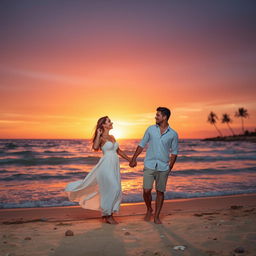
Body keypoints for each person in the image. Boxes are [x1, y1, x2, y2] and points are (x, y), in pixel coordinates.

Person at [65, 116, 131, 224]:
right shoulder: (101, 138)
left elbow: (119, 151)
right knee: (114, 188)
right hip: (105, 166)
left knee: (114, 189)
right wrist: (98, 134)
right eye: (109, 121)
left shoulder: (113, 137)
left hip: (114, 166)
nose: (111, 122)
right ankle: (108, 215)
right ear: (104, 125)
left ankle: (107, 214)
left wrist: (130, 160)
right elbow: (95, 147)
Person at [129, 107, 179, 224]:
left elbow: (175, 152)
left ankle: (157, 216)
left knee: (160, 192)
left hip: (163, 167)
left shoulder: (173, 134)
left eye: (158, 115)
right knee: (146, 190)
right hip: (150, 164)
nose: (155, 117)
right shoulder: (150, 129)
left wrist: (170, 167)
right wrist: (133, 158)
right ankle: (149, 209)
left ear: (165, 117)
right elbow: (142, 144)